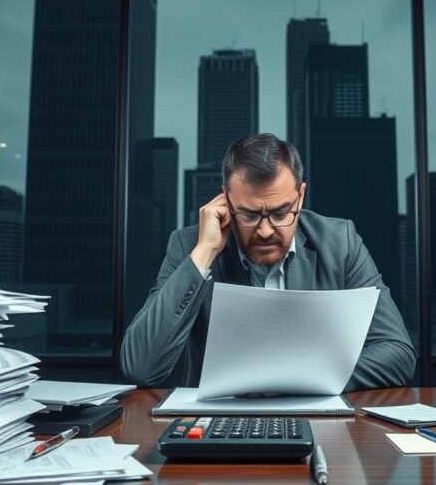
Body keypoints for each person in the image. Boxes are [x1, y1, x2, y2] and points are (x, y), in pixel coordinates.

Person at [121, 133, 416, 390]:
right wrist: (204, 253)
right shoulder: (190, 245)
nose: (264, 230)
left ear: (300, 198)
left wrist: (299, 378)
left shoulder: (341, 242)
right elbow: (140, 366)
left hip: (318, 425)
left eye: (279, 213)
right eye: (248, 214)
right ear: (226, 200)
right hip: (216, 424)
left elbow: (398, 352)